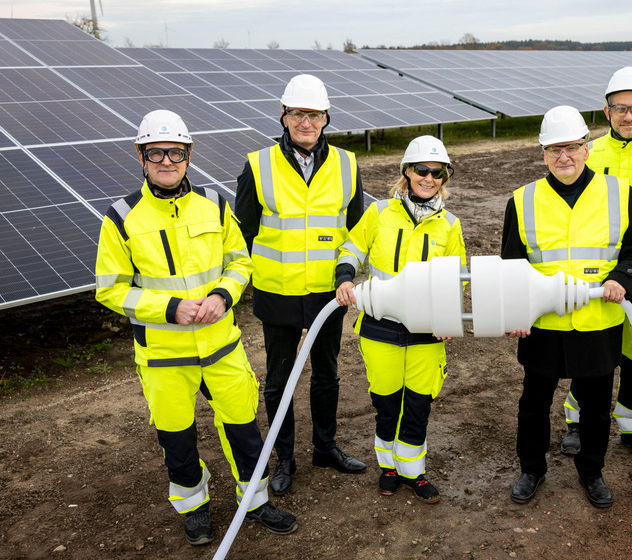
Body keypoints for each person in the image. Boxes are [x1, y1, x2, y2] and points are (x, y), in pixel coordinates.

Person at [95, 110, 296, 546]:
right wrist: (169, 308)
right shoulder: (121, 217)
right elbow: (110, 289)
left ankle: (255, 502)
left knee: (245, 430)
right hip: (165, 357)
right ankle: (195, 509)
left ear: (189, 155)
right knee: (177, 441)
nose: (168, 161)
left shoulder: (215, 204)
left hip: (222, 348)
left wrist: (224, 295)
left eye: (176, 152)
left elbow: (240, 262)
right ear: (142, 157)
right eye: (157, 152)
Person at [501, 106, 632, 508]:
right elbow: (510, 267)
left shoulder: (619, 193)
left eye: (571, 147)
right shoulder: (522, 200)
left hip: (597, 323)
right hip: (543, 325)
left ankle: (592, 471)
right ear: (542, 153)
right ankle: (531, 468)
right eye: (554, 150)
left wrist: (623, 278)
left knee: (597, 409)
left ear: (587, 148)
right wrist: (516, 313)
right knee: (533, 404)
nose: (563, 157)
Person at [235, 74, 366, 497]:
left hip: (328, 291)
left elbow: (355, 229)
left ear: (326, 118)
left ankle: (325, 447)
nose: (305, 122)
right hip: (278, 291)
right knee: (279, 380)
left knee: (326, 374)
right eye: (297, 114)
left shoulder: (347, 164)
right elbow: (245, 231)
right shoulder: (257, 164)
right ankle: (284, 457)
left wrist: (344, 275)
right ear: (283, 116)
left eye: (313, 114)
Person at [335, 136, 467, 504]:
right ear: (406, 173)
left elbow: (456, 277)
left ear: (444, 178)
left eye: (436, 172)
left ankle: (414, 473)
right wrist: (345, 277)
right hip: (380, 327)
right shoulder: (378, 213)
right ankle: (388, 469)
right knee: (387, 402)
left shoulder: (450, 225)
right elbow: (351, 249)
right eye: (420, 170)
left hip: (427, 331)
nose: (428, 178)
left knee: (418, 404)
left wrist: (449, 320)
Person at [560, 67, 632, 462]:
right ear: (606, 111)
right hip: (595, 276)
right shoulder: (590, 153)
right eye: (619, 108)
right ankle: (575, 420)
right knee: (590, 349)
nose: (628, 116)